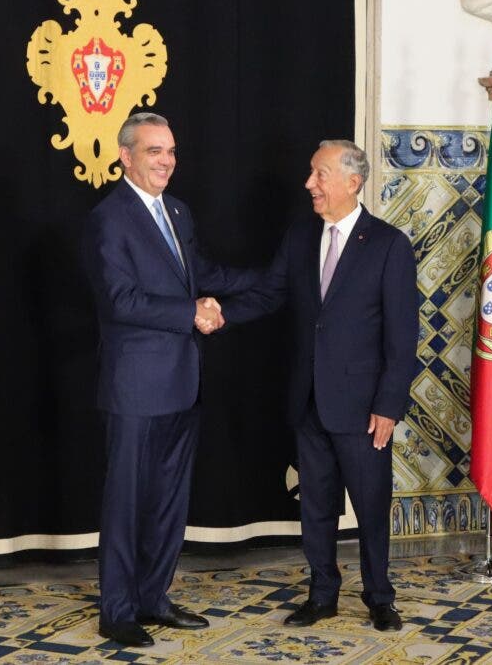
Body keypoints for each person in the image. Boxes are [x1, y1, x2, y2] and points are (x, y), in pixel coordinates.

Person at [221, 140, 418, 631]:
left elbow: (402, 336)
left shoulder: (389, 244)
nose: (310, 184)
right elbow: (268, 294)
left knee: (372, 507)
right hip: (308, 401)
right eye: (311, 174)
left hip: (363, 407)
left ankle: (379, 597)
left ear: (353, 182)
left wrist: (389, 405)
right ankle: (322, 593)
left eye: (319, 174)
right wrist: (219, 313)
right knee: (316, 507)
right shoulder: (300, 236)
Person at [81, 112, 257, 647]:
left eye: (172, 151)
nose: (166, 161)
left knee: (168, 502)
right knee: (127, 502)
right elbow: (120, 299)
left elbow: (201, 274)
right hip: (135, 388)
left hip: (183, 382)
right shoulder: (108, 219)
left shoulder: (178, 211)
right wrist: (192, 313)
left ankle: (154, 598)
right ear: (126, 156)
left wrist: (272, 280)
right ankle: (118, 610)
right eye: (155, 151)